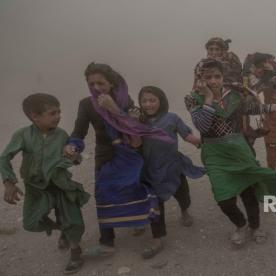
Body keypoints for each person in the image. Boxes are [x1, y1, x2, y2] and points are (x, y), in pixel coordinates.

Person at [185, 58, 276, 247]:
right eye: (208, 77)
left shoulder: (234, 95)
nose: (213, 81)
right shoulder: (192, 98)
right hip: (214, 153)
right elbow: (203, 126)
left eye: (217, 76)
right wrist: (207, 98)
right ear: (200, 78)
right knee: (224, 198)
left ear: (223, 77)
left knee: (248, 192)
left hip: (239, 150)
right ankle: (240, 225)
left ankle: (255, 227)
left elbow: (252, 108)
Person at [64, 63, 172, 256]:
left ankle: (157, 238)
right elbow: (78, 132)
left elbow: (136, 127)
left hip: (132, 152)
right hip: (106, 155)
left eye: (101, 83)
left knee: (146, 190)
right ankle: (107, 243)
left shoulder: (125, 100)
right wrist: (73, 145)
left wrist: (115, 109)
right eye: (92, 83)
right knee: (104, 194)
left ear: (112, 83)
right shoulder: (86, 104)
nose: (96, 88)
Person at [0, 93, 90, 274]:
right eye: (52, 113)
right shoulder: (23, 135)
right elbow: (5, 157)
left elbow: (75, 158)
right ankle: (62, 228)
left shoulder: (61, 135)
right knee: (31, 223)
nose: (58, 116)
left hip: (60, 185)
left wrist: (74, 154)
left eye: (59, 112)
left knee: (72, 219)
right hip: (36, 188)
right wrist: (8, 182)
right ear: (35, 116)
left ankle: (75, 251)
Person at [137, 86, 205, 257]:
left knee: (183, 194)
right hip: (150, 171)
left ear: (161, 100)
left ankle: (184, 210)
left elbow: (187, 136)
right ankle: (157, 239)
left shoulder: (172, 118)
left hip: (173, 167)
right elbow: (133, 143)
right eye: (144, 101)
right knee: (154, 205)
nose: (148, 104)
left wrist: (202, 143)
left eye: (152, 100)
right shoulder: (138, 122)